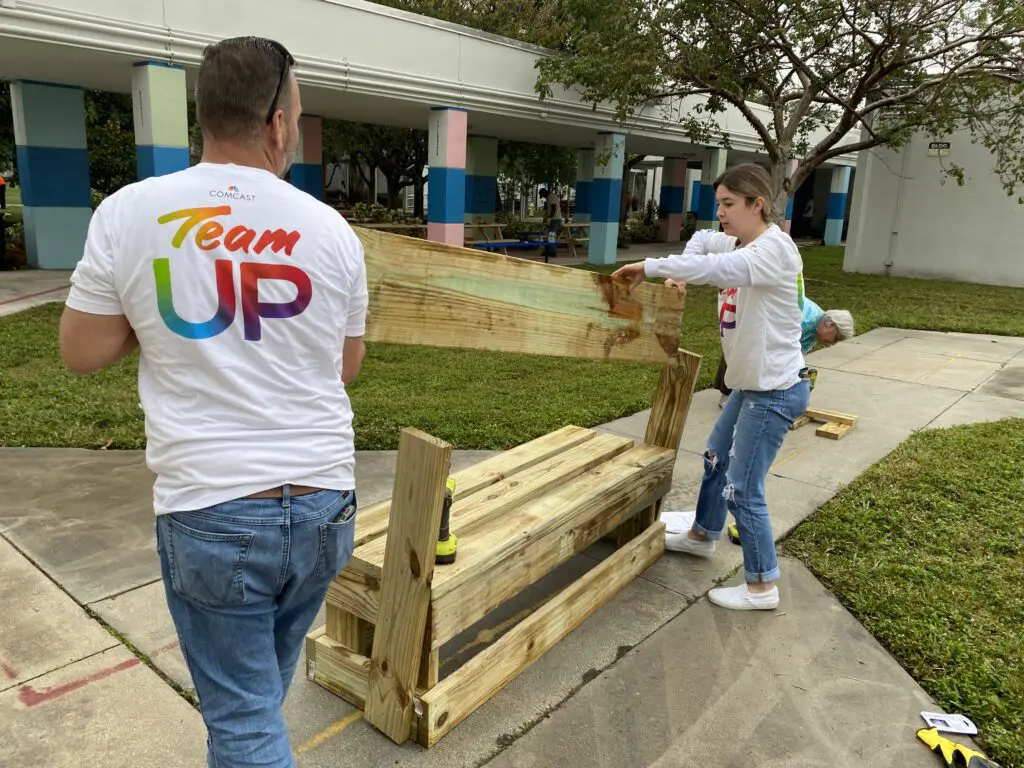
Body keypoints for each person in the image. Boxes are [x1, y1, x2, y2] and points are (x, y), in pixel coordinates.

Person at [58, 36, 368, 766]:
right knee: (256, 702)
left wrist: (153, 320)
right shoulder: (332, 231)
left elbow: (82, 350)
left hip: (212, 509)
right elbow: (345, 367)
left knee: (244, 719)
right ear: (278, 123)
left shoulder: (131, 213)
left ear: (207, 116)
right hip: (325, 503)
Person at [613, 163, 809, 611]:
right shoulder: (741, 240)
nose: (719, 212)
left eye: (728, 204)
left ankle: (762, 586)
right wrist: (680, 271)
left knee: (743, 488)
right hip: (749, 385)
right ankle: (703, 534)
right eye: (717, 203)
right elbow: (702, 244)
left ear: (757, 205)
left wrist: (652, 264)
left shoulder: (772, 251)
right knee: (716, 458)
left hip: (774, 390)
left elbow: (720, 267)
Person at [714, 297, 855, 406]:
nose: (832, 344)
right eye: (835, 338)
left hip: (769, 330)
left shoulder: (815, 332)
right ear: (830, 324)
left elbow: (795, 356)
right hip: (756, 320)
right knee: (741, 352)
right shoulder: (804, 319)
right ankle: (728, 393)